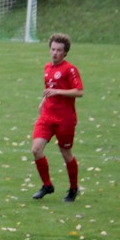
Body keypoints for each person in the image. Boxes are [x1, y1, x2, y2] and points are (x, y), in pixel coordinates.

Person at [31, 33, 84, 202]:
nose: (55, 53)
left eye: (59, 50)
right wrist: (43, 101)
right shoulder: (47, 68)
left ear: (65, 52)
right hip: (47, 116)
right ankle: (47, 185)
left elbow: (79, 92)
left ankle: (73, 189)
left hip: (65, 119)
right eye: (53, 49)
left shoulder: (70, 69)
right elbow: (50, 88)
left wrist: (58, 92)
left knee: (66, 153)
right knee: (36, 149)